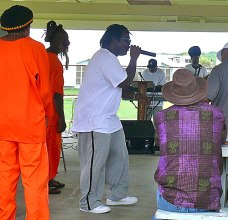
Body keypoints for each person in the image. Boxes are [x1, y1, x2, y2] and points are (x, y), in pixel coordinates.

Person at [71, 24, 149, 214]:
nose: (129, 45)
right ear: (113, 40)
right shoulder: (104, 57)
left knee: (119, 157)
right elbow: (125, 81)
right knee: (94, 164)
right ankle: (88, 202)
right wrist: (134, 59)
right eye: (126, 40)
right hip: (94, 120)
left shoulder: (109, 59)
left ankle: (117, 194)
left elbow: (116, 88)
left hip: (108, 120)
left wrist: (136, 97)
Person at [151, 69, 227, 220]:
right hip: (207, 199)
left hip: (170, 200)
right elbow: (221, 140)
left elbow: (159, 143)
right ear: (199, 91)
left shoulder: (161, 117)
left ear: (173, 94)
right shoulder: (217, 114)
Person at [0, 5, 53, 220]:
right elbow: (45, 89)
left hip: (2, 124)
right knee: (34, 180)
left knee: (5, 176)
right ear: (28, 26)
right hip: (30, 124)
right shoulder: (36, 48)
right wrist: (48, 114)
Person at [44, 20, 70, 194]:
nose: (66, 45)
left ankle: (48, 179)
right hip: (51, 115)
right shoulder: (54, 62)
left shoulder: (40, 56)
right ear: (56, 42)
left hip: (39, 113)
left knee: (44, 150)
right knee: (51, 150)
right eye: (65, 42)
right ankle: (46, 181)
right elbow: (57, 94)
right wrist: (61, 118)